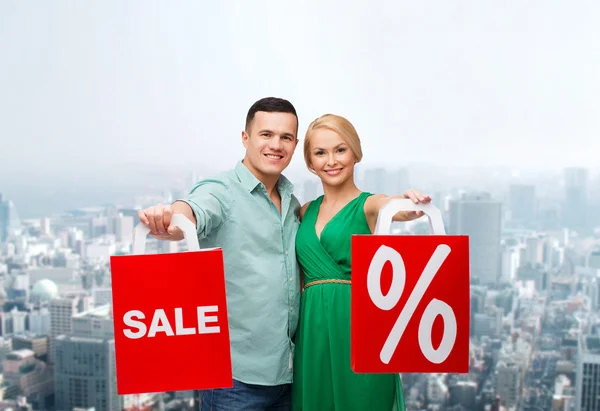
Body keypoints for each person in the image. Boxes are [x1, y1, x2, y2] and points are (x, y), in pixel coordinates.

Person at [138, 97, 302, 411]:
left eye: (286, 137)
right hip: (234, 381)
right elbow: (191, 211)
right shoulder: (221, 190)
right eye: (266, 134)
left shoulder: (292, 203)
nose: (276, 145)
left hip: (290, 376)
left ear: (295, 144)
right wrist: (170, 218)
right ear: (245, 138)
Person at [291, 114, 431, 411]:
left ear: (356, 153)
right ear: (310, 163)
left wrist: (409, 203)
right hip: (311, 334)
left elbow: (394, 208)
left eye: (340, 150)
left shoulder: (368, 205)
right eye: (320, 153)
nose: (331, 160)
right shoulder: (303, 212)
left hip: (360, 331)